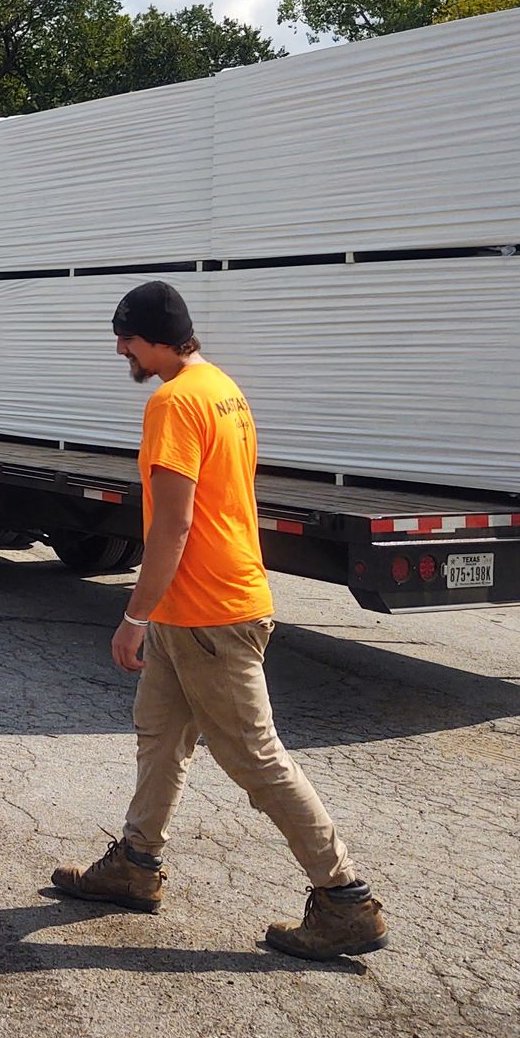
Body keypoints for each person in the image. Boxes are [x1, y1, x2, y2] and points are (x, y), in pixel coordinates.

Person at [50, 281, 388, 962]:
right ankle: (135, 865)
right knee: (160, 737)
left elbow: (172, 525)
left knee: (256, 760)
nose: (121, 349)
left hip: (208, 612)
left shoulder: (173, 402)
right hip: (197, 608)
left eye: (127, 337)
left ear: (156, 337)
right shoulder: (223, 389)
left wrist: (132, 616)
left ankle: (345, 898)